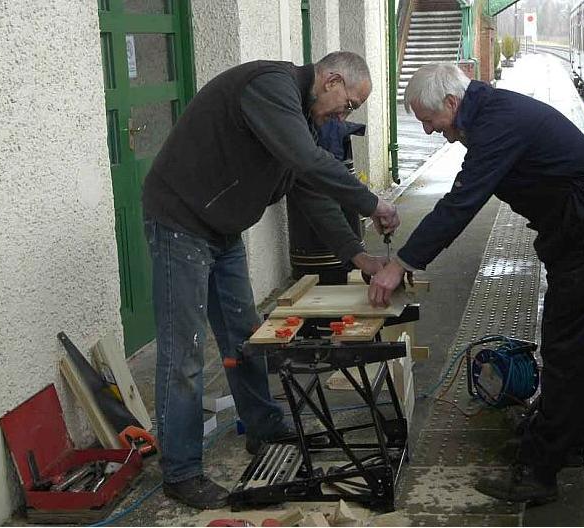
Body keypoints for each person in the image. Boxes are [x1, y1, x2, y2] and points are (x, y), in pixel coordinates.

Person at [142, 51, 399, 510]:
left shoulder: (301, 117)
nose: (347, 114)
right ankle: (181, 472)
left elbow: (311, 188)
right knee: (184, 351)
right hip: (180, 219)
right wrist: (370, 203)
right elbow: (310, 163)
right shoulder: (271, 87)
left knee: (247, 336)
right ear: (332, 80)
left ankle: (264, 429)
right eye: (350, 104)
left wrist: (356, 255)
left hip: (221, 228)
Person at [367, 63, 584, 505]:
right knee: (572, 343)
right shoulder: (490, 114)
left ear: (452, 103)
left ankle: (541, 471)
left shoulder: (496, 124)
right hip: (579, 229)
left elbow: (462, 202)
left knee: (568, 346)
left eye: (430, 121)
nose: (430, 132)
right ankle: (565, 442)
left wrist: (403, 263)